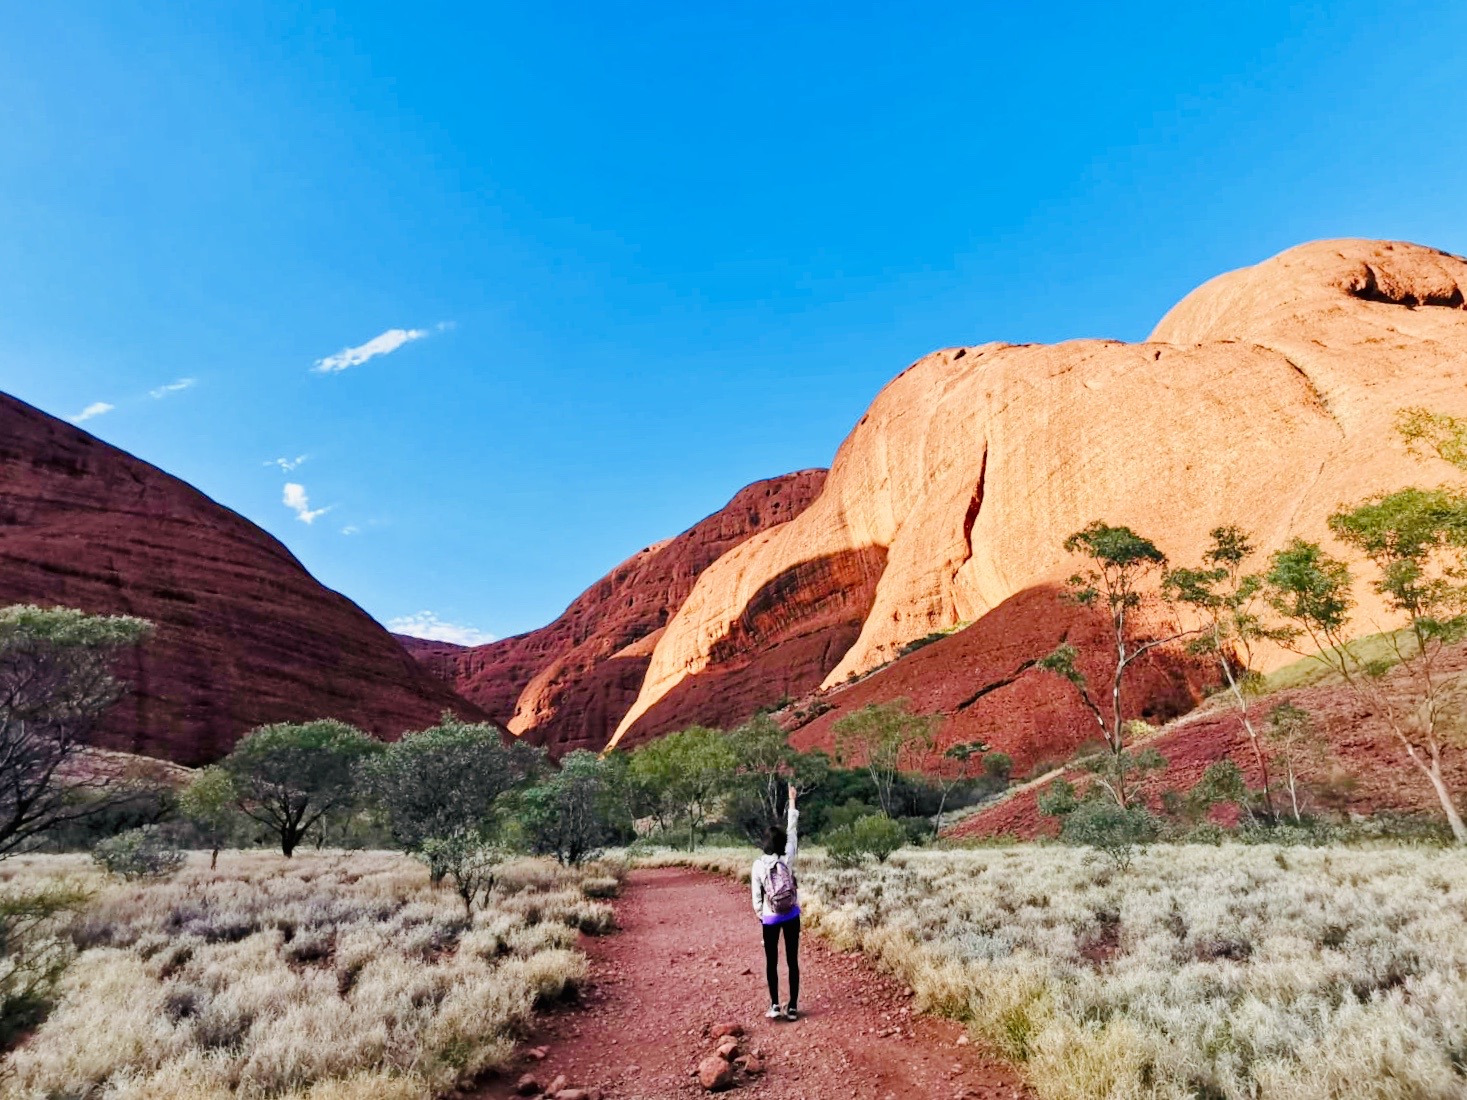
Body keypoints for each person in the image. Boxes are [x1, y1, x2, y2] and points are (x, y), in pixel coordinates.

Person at [751, 783, 801, 1021]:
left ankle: (774, 1005)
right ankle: (792, 1007)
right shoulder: (788, 856)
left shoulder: (759, 865)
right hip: (791, 913)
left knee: (772, 962)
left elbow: (756, 896)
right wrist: (792, 801)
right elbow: (792, 830)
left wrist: (763, 914)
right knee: (793, 960)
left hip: (770, 917)